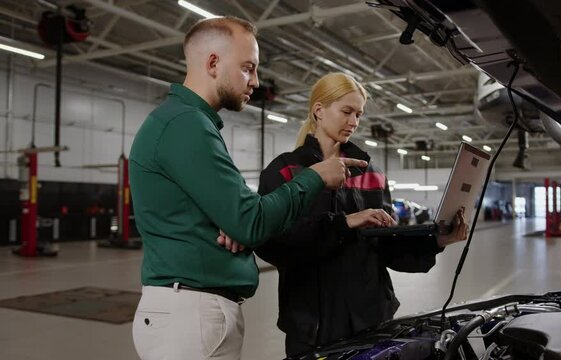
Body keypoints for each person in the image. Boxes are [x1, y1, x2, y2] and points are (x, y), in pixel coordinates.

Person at [128, 18, 367, 360]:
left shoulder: (188, 123)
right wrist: (314, 177)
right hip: (191, 313)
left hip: (190, 310)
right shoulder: (186, 126)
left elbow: (242, 218)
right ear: (213, 63)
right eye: (248, 68)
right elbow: (251, 221)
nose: (255, 81)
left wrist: (237, 221)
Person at [254, 73, 469, 357]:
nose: (354, 122)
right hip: (313, 326)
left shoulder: (371, 174)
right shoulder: (284, 171)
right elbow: (274, 243)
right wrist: (345, 223)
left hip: (373, 321)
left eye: (358, 114)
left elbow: (387, 248)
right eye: (346, 111)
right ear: (319, 110)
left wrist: (437, 241)